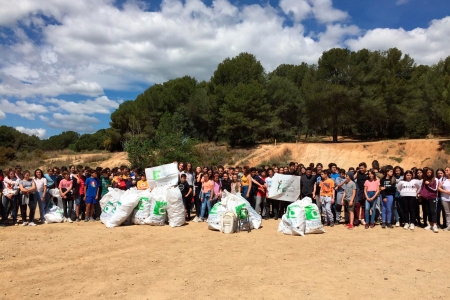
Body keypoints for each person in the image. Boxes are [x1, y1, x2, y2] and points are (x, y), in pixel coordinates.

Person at [419, 168, 439, 233]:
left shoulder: (435, 179)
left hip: (432, 197)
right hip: (425, 198)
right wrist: (421, 194)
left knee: (433, 211)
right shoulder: (424, 179)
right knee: (427, 211)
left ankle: (435, 225)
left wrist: (429, 184)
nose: (429, 173)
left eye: (430, 172)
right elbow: (422, 188)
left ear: (432, 173)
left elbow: (435, 189)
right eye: (428, 172)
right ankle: (430, 224)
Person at [438, 167, 450, 231]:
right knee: (447, 213)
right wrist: (446, 192)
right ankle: (448, 225)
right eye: (445, 170)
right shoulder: (442, 179)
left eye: (447, 170)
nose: (446, 171)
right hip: (444, 198)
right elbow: (439, 188)